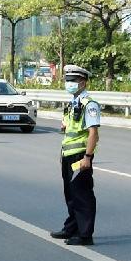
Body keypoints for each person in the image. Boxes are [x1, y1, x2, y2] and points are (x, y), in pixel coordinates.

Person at [50, 65, 101, 246]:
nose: (69, 84)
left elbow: (93, 133)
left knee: (82, 194)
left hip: (80, 156)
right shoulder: (73, 104)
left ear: (83, 82)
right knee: (70, 193)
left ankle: (85, 234)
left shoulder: (89, 105)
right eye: (67, 80)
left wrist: (88, 156)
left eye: (73, 81)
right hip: (68, 155)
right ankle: (71, 228)